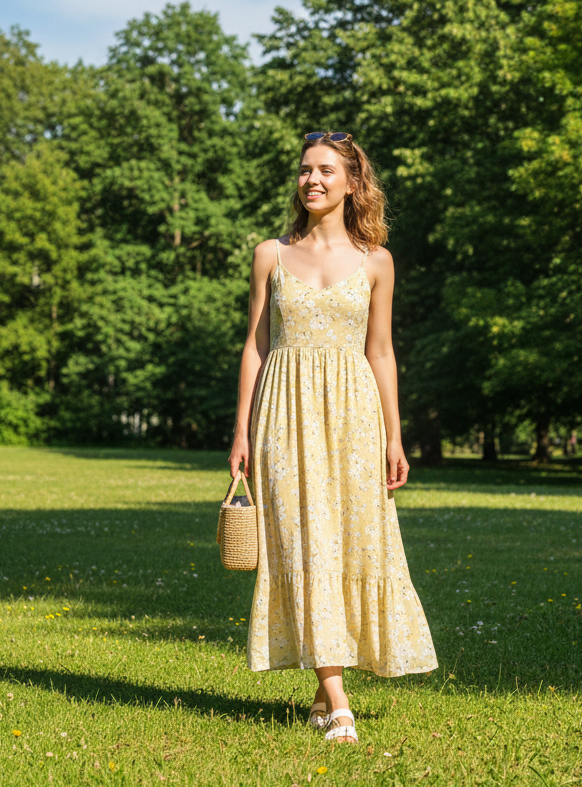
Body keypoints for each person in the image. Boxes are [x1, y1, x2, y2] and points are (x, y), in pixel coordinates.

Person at [229, 131, 437, 745]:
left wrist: (395, 437)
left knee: (349, 547)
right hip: (283, 418)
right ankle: (339, 699)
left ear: (353, 182)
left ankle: (323, 690)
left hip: (354, 419)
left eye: (325, 170)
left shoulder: (377, 260)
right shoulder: (270, 254)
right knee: (302, 545)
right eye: (304, 170)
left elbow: (382, 351)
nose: (312, 180)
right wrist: (240, 430)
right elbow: (256, 347)